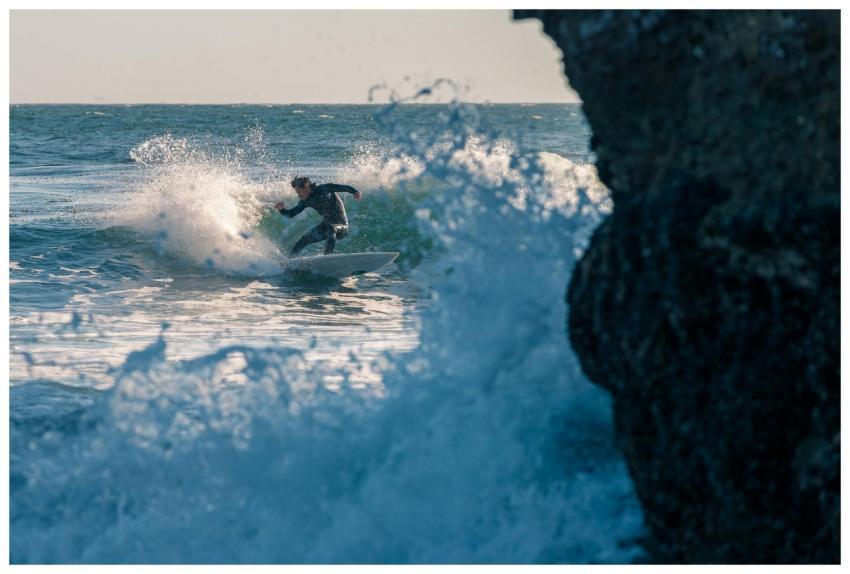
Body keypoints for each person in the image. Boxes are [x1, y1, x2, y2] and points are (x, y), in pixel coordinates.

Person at [275, 176, 362, 257]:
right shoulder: (305, 201)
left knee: (331, 228)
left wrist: (355, 192)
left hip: (341, 227)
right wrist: (281, 209)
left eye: (299, 191)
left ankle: (327, 257)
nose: (298, 195)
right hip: (326, 225)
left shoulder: (323, 189)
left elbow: (342, 187)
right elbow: (291, 214)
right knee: (304, 239)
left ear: (306, 187)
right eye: (296, 192)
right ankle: (290, 261)